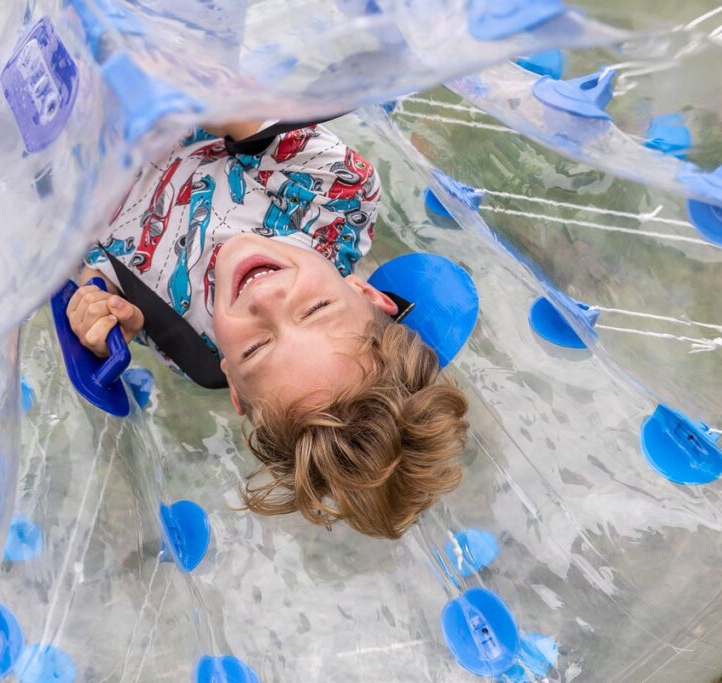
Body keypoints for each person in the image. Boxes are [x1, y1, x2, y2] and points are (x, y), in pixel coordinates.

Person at [67, 120, 468, 539]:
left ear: (233, 384)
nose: (264, 300)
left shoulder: (197, 356)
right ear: (367, 293)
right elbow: (222, 97)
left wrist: (104, 303)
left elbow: (105, 256)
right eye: (315, 309)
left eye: (256, 348)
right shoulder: (335, 199)